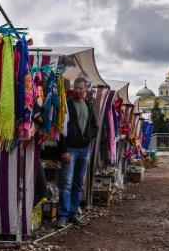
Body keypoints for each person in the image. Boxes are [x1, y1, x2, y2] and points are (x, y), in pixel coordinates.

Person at [57, 77, 98, 227]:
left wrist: (88, 138)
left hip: (84, 150)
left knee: (78, 183)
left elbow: (95, 126)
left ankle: (73, 214)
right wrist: (64, 150)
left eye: (81, 88)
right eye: (76, 88)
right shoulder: (67, 104)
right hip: (70, 150)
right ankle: (62, 216)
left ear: (86, 89)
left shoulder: (88, 105)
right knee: (66, 183)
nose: (78, 90)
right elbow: (60, 128)